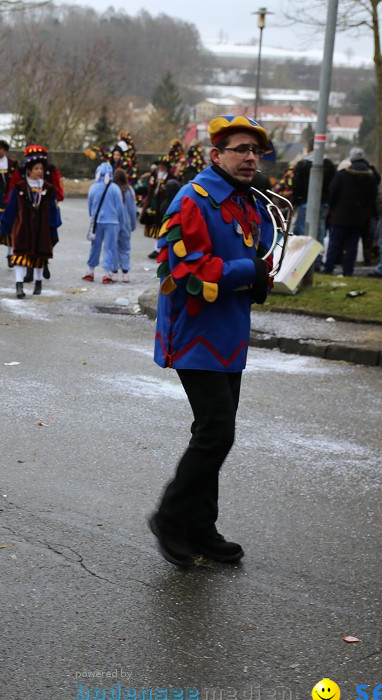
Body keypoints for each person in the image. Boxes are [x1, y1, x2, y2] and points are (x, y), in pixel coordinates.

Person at [149, 115, 274, 567]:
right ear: (216, 154)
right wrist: (250, 273)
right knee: (217, 431)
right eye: (240, 149)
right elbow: (185, 272)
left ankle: (201, 527)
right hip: (194, 335)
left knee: (213, 433)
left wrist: (266, 275)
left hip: (229, 336)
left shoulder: (248, 203)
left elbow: (254, 258)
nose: (249, 157)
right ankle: (169, 517)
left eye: (254, 151)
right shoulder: (191, 200)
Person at [0, 144, 61, 298]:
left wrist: (53, 228)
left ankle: (38, 282)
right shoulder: (20, 188)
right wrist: (4, 226)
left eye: (41, 169)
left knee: (40, 257)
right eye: (36, 169)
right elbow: (11, 208)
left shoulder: (48, 189)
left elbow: (53, 210)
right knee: (20, 257)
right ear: (29, 170)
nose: (40, 171)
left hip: (42, 228)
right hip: (23, 228)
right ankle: (19, 285)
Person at [324, 147, 379, 277]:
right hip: (358, 219)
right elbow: (373, 197)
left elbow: (332, 194)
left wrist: (334, 207)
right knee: (352, 246)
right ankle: (348, 271)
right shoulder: (370, 177)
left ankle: (328, 268)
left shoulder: (342, 175)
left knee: (335, 244)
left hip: (340, 216)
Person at [84, 161, 125, 283]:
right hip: (112, 222)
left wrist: (92, 217)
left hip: (97, 222)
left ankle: (90, 271)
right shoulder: (115, 188)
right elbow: (120, 209)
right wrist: (121, 224)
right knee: (109, 248)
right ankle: (107, 273)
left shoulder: (93, 187)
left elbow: (90, 206)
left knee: (94, 247)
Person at [290, 144, 335, 244]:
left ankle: (304, 257)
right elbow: (332, 186)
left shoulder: (302, 164)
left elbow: (296, 185)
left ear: (309, 149)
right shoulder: (328, 164)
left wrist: (297, 201)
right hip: (323, 203)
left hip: (304, 202)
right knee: (320, 230)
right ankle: (317, 256)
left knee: (304, 231)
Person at [137, 156, 174, 258]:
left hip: (164, 206)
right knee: (154, 226)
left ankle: (160, 249)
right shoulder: (154, 175)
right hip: (153, 205)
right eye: (159, 165)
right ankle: (157, 248)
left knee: (163, 226)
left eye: (162, 166)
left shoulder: (171, 178)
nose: (160, 167)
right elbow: (149, 189)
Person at [109, 167, 136, 283]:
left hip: (113, 223)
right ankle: (125, 273)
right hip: (126, 223)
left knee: (113, 248)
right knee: (125, 248)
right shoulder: (129, 191)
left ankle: (114, 272)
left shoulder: (111, 190)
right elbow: (132, 210)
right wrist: (133, 224)